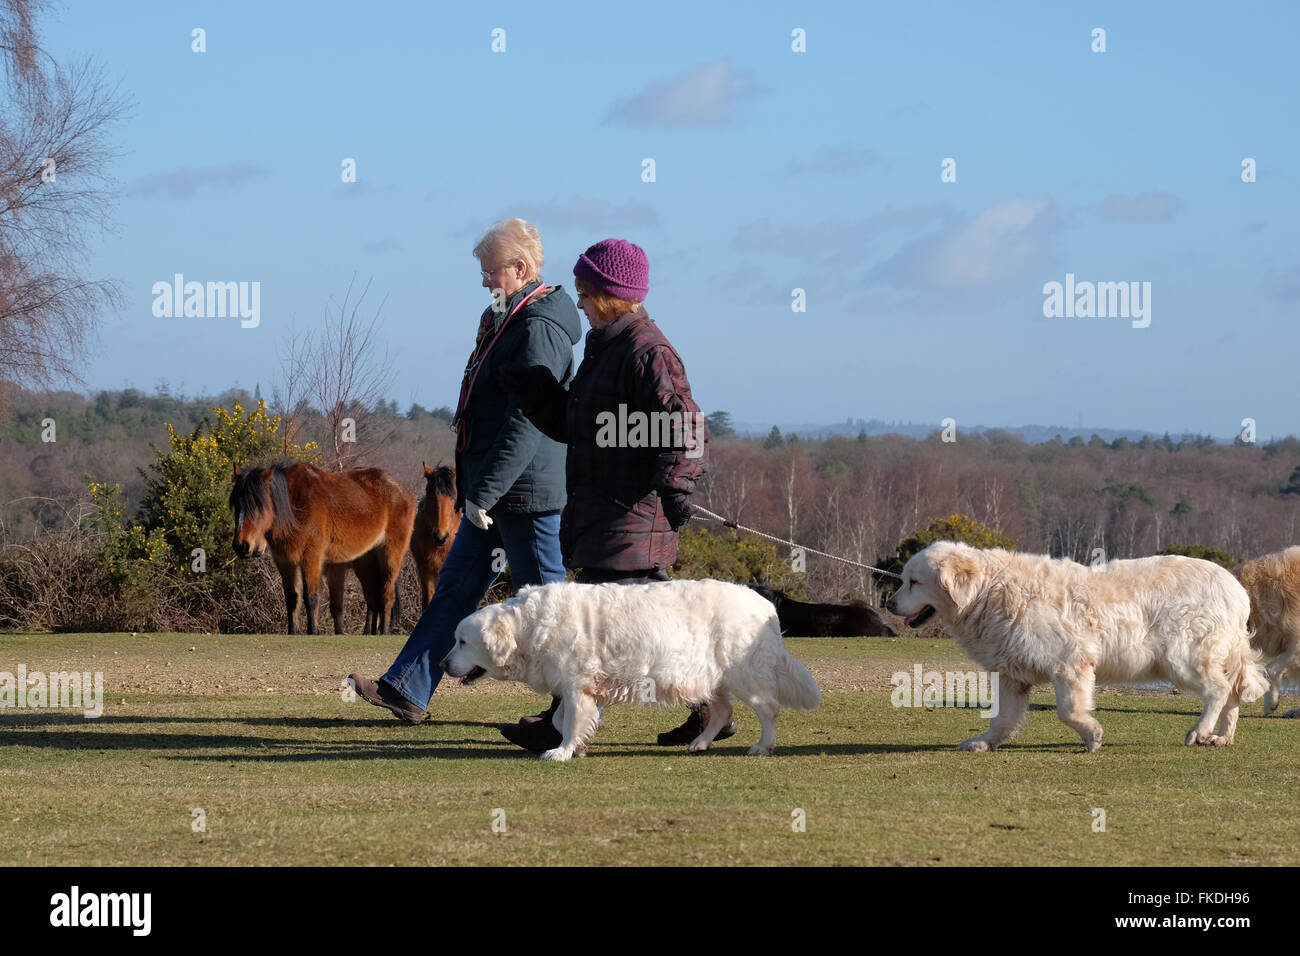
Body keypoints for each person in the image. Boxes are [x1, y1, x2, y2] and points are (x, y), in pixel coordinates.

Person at [500, 237, 732, 752]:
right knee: (657, 628)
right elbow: (579, 425)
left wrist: (677, 484)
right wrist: (535, 389)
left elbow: (687, 425)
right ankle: (710, 709)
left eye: (584, 292)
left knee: (596, 632)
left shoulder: (648, 352)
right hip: (605, 513)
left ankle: (562, 728)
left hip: (631, 516)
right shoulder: (605, 348)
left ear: (609, 294)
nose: (578, 302)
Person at [348, 218, 580, 723]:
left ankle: (571, 707)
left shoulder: (537, 327)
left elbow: (526, 423)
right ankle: (408, 688)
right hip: (492, 495)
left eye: (489, 270)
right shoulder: (507, 316)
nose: (483, 280)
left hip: (523, 496)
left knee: (548, 608)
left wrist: (484, 491)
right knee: (455, 588)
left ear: (519, 269)